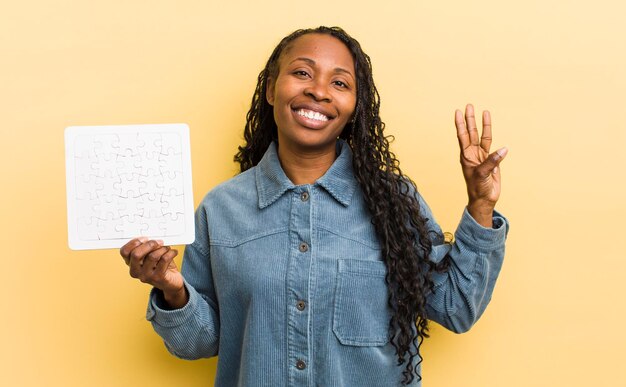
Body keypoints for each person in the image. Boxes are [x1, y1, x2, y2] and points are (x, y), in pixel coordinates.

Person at [119, 26, 509, 387]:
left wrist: (480, 205)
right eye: (303, 73)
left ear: (355, 105)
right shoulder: (220, 209)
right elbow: (199, 343)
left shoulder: (393, 204)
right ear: (272, 89)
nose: (319, 91)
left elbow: (456, 306)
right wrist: (173, 290)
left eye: (339, 82)